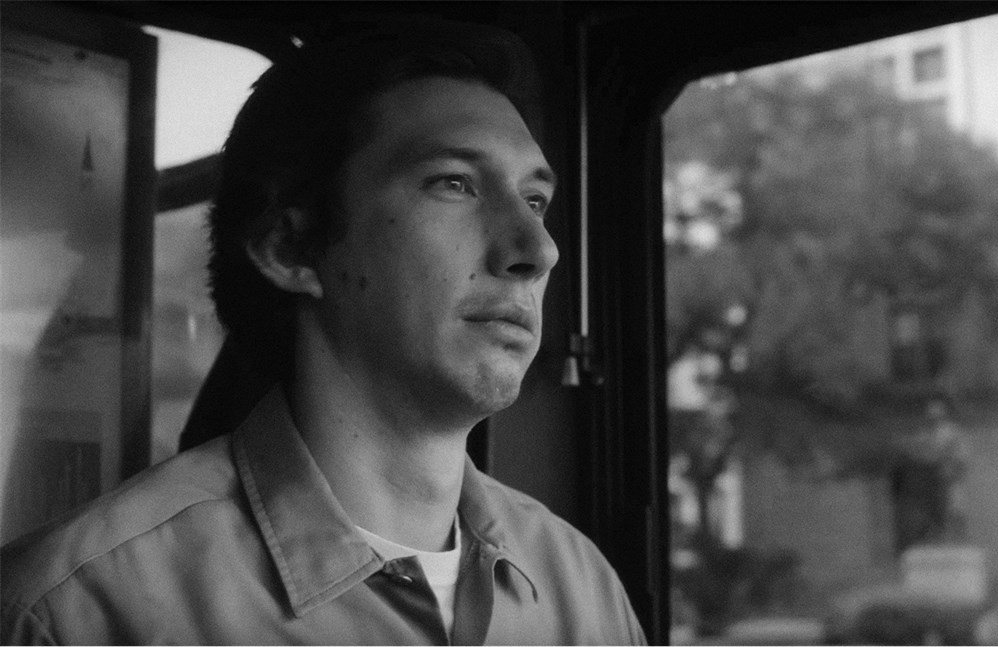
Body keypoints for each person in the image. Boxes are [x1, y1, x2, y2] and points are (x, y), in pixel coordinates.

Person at [1, 19, 646, 645]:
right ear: (291, 248)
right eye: (454, 183)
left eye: (535, 201)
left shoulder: (581, 587)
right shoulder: (77, 612)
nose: (539, 249)